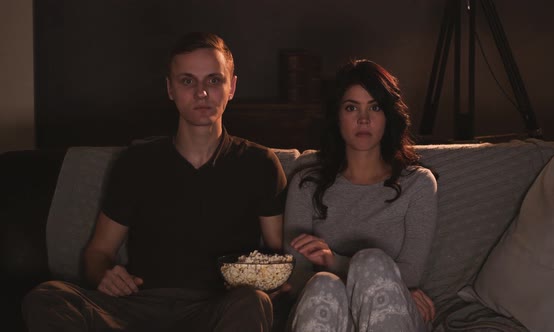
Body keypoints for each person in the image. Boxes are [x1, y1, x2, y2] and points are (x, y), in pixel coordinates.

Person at [22, 32, 287, 332]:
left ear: (232, 87)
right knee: (48, 297)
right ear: (170, 88)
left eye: (214, 80)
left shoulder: (260, 163)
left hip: (217, 310)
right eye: (188, 81)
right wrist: (104, 276)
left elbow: (276, 258)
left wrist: (273, 284)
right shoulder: (136, 162)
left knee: (253, 301)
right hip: (137, 308)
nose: (201, 93)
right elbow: (98, 253)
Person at [283, 59, 438, 332]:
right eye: (352, 107)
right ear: (337, 116)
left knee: (373, 262)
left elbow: (411, 274)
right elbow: (294, 278)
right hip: (329, 314)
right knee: (322, 285)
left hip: (393, 313)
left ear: (388, 115)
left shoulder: (418, 184)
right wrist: (340, 280)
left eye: (375, 107)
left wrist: (335, 261)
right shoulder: (306, 186)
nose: (363, 119)